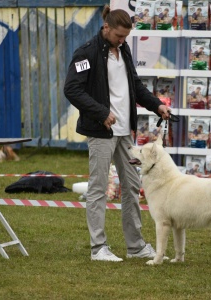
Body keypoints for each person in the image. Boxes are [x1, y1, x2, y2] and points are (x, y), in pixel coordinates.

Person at [64, 5, 171, 262]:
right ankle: (98, 248)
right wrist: (101, 113)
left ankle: (136, 246)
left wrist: (156, 104)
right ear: (106, 28)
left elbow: (134, 85)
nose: (122, 41)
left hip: (125, 133)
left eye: (125, 37)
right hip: (101, 131)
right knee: (98, 188)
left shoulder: (124, 50)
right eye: (118, 36)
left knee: (132, 187)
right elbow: (72, 89)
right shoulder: (86, 52)